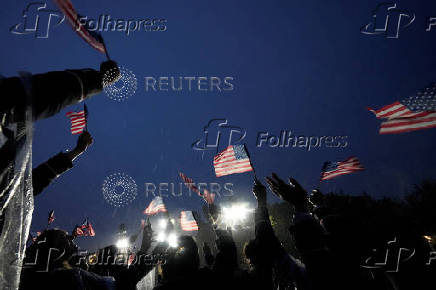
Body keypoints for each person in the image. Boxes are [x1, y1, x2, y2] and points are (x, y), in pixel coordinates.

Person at [0, 61, 119, 289]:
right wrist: (97, 80)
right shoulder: (68, 280)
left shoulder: (10, 193)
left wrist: (75, 152)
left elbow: (30, 184)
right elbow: (36, 93)